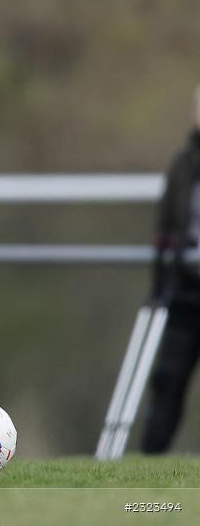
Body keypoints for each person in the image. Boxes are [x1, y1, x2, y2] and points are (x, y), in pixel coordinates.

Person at [141, 84, 200, 454]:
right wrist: (161, 285)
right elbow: (166, 227)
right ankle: (148, 458)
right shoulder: (184, 164)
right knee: (168, 382)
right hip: (187, 293)